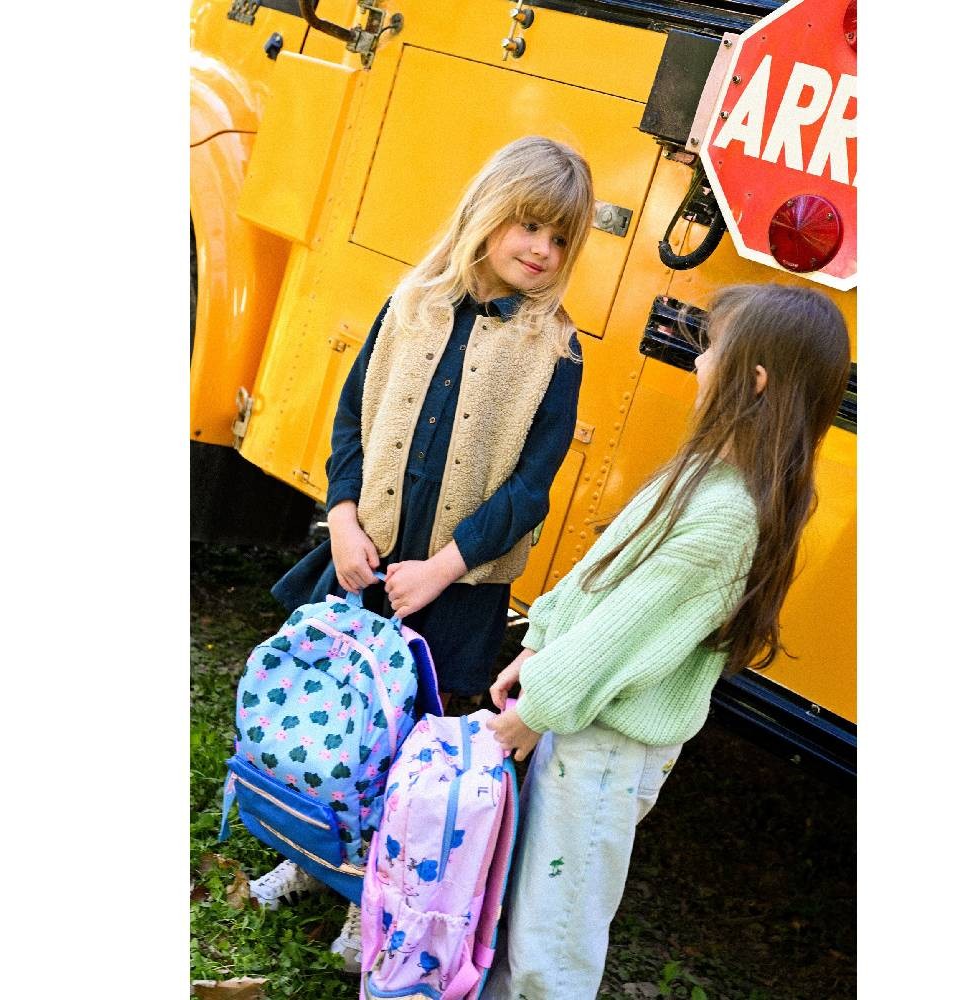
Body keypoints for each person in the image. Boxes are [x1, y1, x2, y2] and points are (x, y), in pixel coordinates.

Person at [247, 136, 596, 959]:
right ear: (488, 214)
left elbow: (528, 490)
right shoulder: (412, 303)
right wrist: (340, 517)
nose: (543, 251)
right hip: (363, 565)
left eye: (560, 240)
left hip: (452, 591)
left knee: (409, 745)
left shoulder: (556, 351)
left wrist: (446, 567)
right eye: (530, 227)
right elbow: (352, 417)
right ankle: (308, 856)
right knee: (340, 726)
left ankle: (365, 892)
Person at [481, 282, 852, 999]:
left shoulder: (728, 515)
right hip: (580, 727)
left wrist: (536, 707)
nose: (696, 361)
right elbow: (602, 575)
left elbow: (622, 632)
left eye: (711, 348)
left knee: (549, 946)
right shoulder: (709, 474)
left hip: (605, 751)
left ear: (754, 379)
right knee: (523, 914)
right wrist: (540, 643)